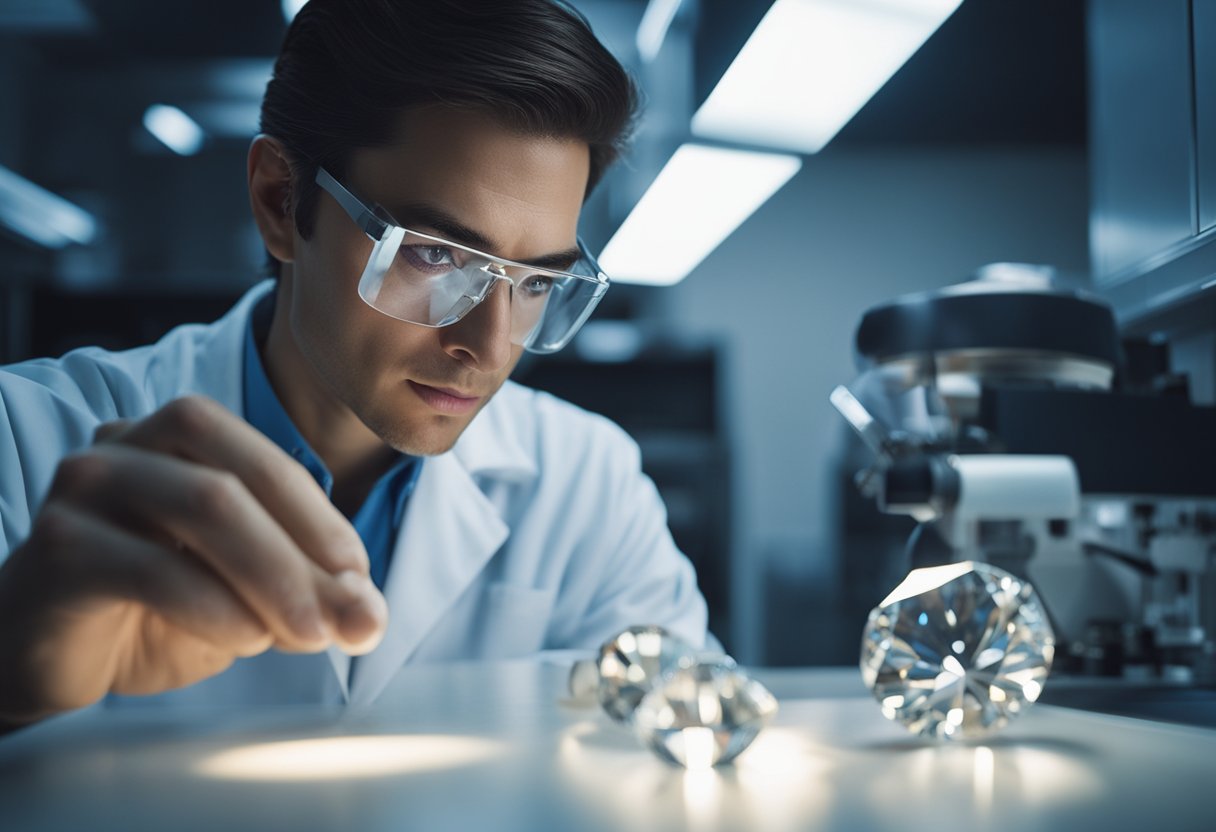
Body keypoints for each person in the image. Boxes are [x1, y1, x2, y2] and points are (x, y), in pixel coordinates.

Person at [0, 0, 709, 728]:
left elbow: (695, 741)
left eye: (535, 282)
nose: (490, 347)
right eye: (435, 255)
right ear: (280, 201)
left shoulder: (587, 483)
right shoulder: (23, 443)